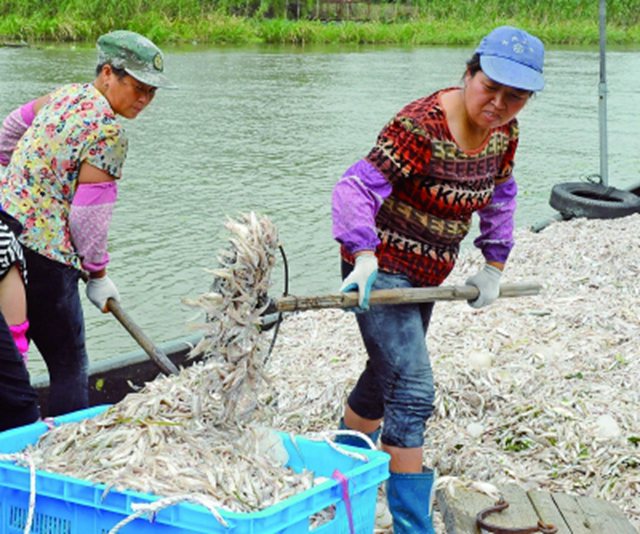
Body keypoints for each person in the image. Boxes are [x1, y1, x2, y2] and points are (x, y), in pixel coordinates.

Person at [331, 26, 544, 533]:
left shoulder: (503, 134)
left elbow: (501, 194)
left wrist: (494, 263)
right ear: (468, 73)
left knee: (385, 377)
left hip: (430, 272)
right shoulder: (421, 126)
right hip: (380, 270)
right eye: (489, 87)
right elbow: (355, 187)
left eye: (514, 97)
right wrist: (362, 253)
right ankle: (411, 525)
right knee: (412, 388)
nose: (497, 103)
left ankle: (339, 470)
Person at [0, 30, 173, 417]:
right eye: (138, 87)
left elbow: (10, 129)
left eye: (152, 92)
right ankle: (64, 454)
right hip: (44, 257)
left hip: (4, 239)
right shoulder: (108, 132)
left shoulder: (62, 96)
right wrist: (97, 274)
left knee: (9, 357)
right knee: (69, 365)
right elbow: (87, 218)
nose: (144, 100)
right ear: (108, 73)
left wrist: (14, 179)